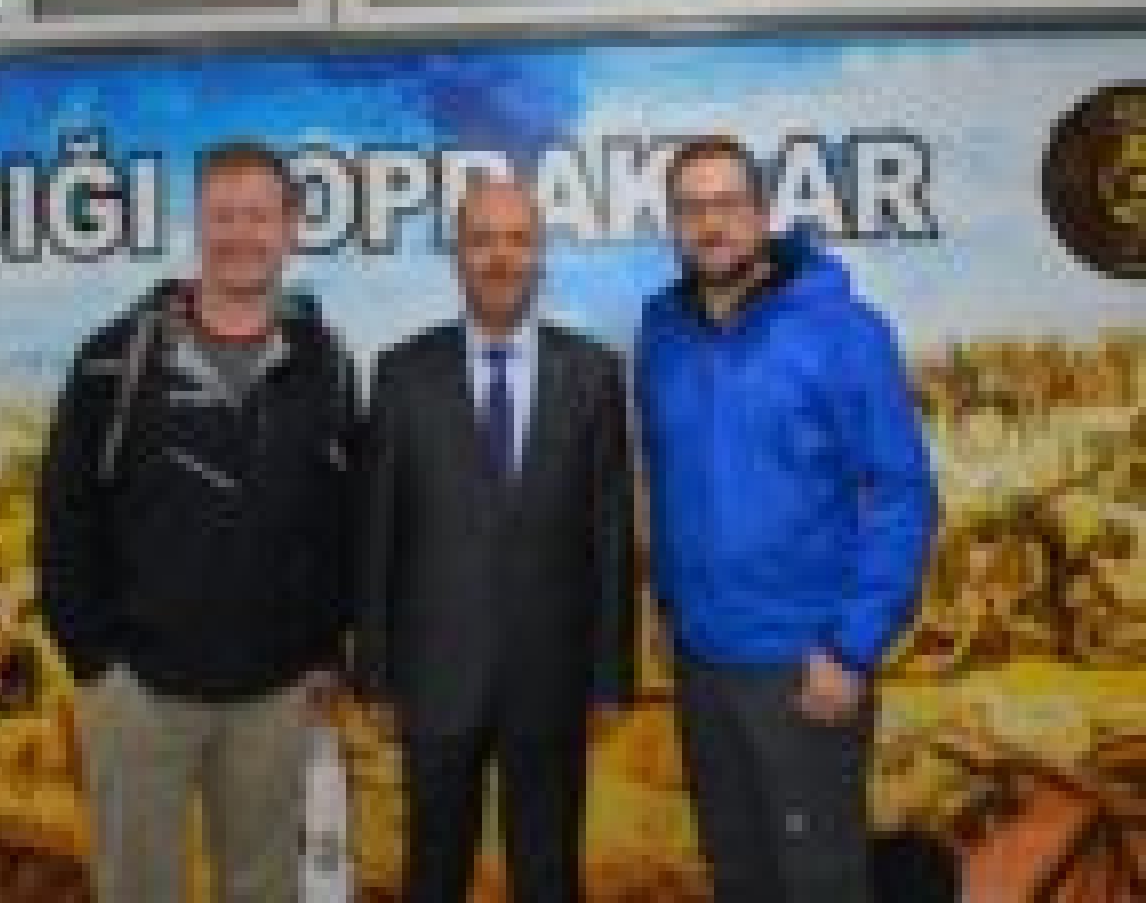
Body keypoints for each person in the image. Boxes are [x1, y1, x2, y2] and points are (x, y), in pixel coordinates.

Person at [37, 140, 362, 903]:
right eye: (224, 216)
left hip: (275, 695)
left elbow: (342, 519)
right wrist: (97, 665)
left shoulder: (327, 364)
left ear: (291, 227)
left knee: (264, 888)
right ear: (198, 224)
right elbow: (64, 517)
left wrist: (326, 648)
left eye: (259, 216)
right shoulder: (113, 362)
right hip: (140, 694)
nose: (241, 234)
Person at [637, 135, 937, 903]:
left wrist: (851, 647)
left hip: (806, 671)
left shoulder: (844, 331)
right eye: (691, 208)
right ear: (673, 222)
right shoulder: (662, 333)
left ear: (762, 213)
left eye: (727, 204)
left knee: (818, 884)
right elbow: (669, 480)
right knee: (737, 875)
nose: (711, 224)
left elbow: (902, 494)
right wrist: (671, 608)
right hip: (703, 667)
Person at [357, 174, 636, 903]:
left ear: (540, 253)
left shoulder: (594, 373)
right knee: (434, 873)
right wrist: (376, 673)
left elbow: (610, 534)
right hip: (434, 680)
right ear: (457, 254)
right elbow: (377, 530)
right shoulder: (402, 373)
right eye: (482, 240)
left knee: (549, 875)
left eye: (517, 240)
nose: (500, 257)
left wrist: (610, 675)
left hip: (552, 680)